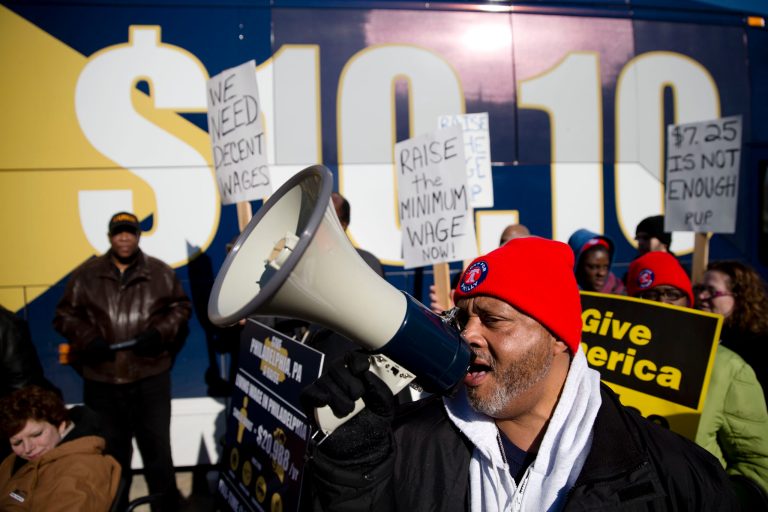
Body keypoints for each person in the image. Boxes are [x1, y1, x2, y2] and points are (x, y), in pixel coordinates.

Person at [301, 237, 739, 510]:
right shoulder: (407, 443)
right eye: (463, 318)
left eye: (493, 320)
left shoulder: (673, 473)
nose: (468, 335)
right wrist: (351, 476)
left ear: (558, 338)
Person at [53, 211, 191, 511]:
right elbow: (63, 315)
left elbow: (181, 308)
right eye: (118, 233)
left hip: (150, 378)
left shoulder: (160, 273)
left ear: (139, 236)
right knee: (112, 457)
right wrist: (88, 339)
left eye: (130, 232)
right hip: (103, 382)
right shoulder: (86, 275)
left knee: (158, 453)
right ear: (110, 237)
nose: (124, 238)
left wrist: (159, 332)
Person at [626, 252, 768, 506]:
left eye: (672, 294)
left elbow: (758, 464)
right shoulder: (606, 361)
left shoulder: (727, 367)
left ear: (687, 301)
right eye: (649, 295)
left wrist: (717, 500)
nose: (663, 303)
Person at [0, 385, 121, 511]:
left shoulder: (80, 468)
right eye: (17, 442)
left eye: (36, 435)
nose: (28, 448)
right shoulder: (13, 461)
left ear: (60, 425)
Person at [695, 260, 768, 397]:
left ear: (739, 297)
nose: (701, 296)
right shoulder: (698, 333)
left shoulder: (759, 346)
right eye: (700, 288)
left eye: (711, 291)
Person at [567, 228, 625, 295]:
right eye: (593, 267)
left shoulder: (620, 292)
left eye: (605, 267)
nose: (601, 273)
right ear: (577, 265)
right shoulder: (561, 293)